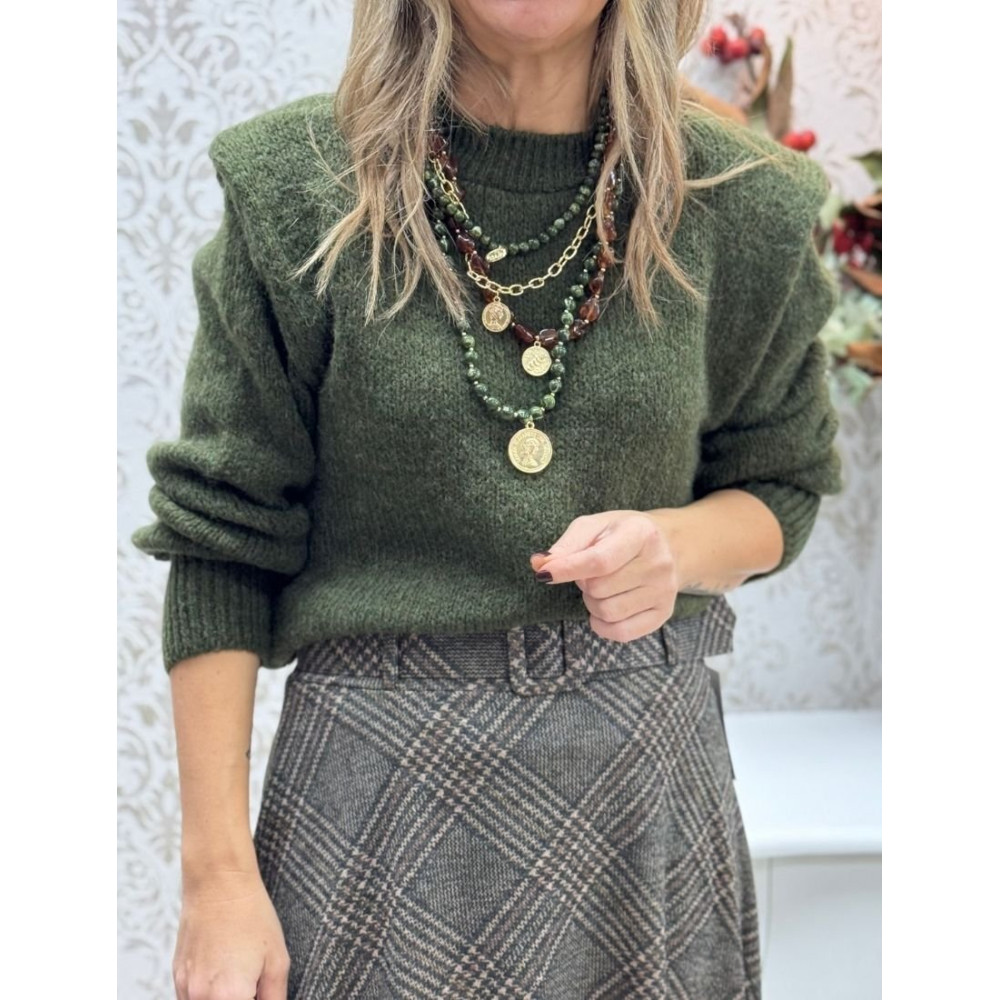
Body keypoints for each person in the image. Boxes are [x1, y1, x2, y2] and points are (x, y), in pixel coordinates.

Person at [131, 1, 844, 997]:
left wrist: (674, 546)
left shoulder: (744, 200)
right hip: (370, 798)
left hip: (641, 801)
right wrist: (216, 881)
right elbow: (222, 539)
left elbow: (780, 484)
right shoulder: (294, 186)